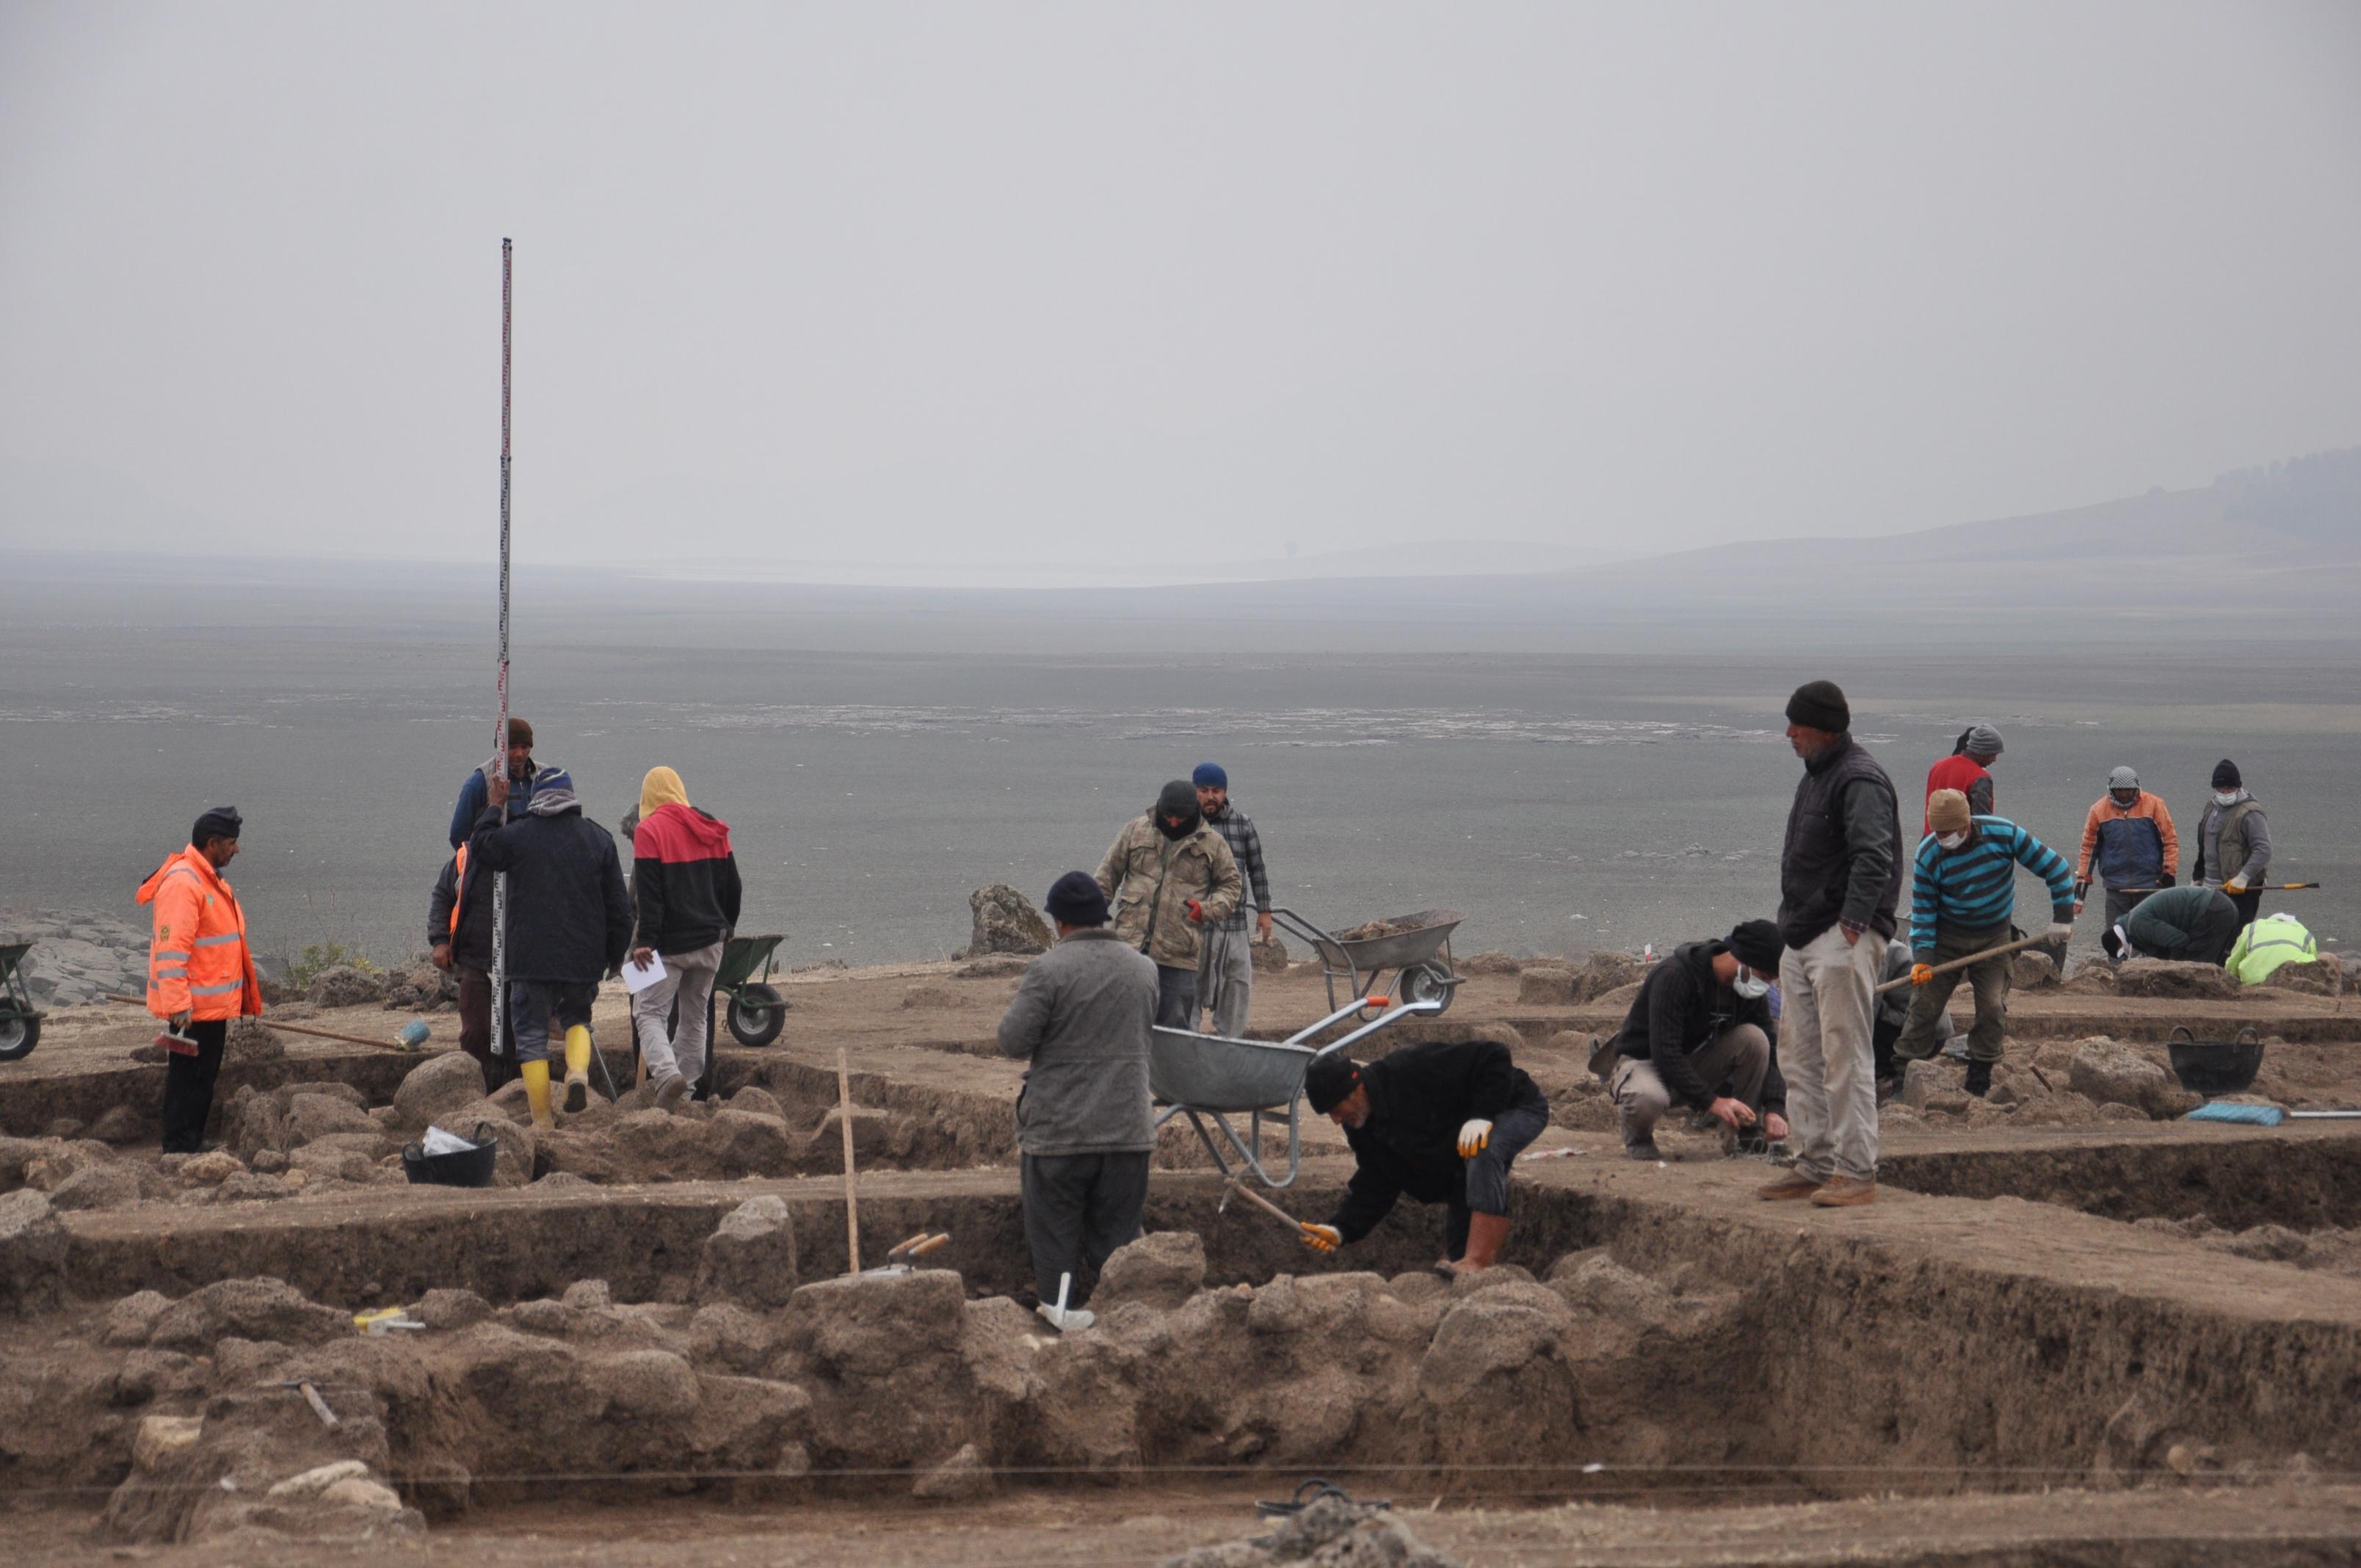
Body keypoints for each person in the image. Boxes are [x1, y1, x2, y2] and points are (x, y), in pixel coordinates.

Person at [995, 871, 1159, 1331]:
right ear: (1102, 918)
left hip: (1060, 1133)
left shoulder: (1049, 970)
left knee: (1054, 1238)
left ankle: (1060, 1321)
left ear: (1059, 922)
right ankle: (1126, 1323)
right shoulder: (1144, 968)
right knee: (1120, 1242)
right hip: (1128, 1129)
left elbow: (1012, 1041)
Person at [1761, 679, 1901, 1209]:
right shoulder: (1819, 775)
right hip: (1803, 932)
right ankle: (1815, 1160)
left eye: (1797, 724)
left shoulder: (1858, 778)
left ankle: (1856, 1170)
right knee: (1799, 1054)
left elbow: (1874, 855)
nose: (1790, 733)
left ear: (1824, 727)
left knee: (1845, 1055)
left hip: (1840, 936)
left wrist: (1854, 924)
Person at [1299, 1039, 1551, 1274]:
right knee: (1456, 1256)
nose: (1336, 1121)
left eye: (1335, 1110)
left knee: (1483, 1147)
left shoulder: (1409, 1069)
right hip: (1459, 1164)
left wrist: (1482, 1115)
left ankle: (1480, 1260)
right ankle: (1470, 1267)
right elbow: (1376, 1182)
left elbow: (1494, 1055)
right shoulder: (1362, 1128)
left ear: (1354, 1091)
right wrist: (1341, 1228)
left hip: (1516, 1106)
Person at [468, 766, 631, 1129]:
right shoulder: (599, 840)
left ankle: (542, 1121)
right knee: (578, 1020)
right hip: (582, 957)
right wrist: (615, 956)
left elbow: (481, 848)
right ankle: (576, 1072)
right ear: (572, 797)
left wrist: (494, 807)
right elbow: (619, 908)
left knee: (530, 1035)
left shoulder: (519, 835)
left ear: (537, 796)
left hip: (529, 958)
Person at [1893, 790, 2078, 1097]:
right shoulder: (1929, 854)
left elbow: (2056, 869)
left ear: (1965, 825)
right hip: (1946, 938)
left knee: (1992, 1008)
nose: (1942, 839)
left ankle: (1979, 1079)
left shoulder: (2003, 834)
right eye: (1937, 833)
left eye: (1948, 833)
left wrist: (2062, 918)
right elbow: (1923, 911)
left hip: (1994, 936)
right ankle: (1903, 1074)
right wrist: (1923, 957)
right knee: (1925, 1005)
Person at [1600, 920, 1788, 1161]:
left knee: (1756, 1040)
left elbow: (1773, 1049)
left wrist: (1775, 1108)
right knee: (1648, 1097)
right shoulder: (1675, 976)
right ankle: (1638, 1135)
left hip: (1693, 1061)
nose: (1767, 985)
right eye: (1765, 976)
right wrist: (1713, 1101)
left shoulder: (1748, 992)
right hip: (1645, 1062)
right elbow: (1665, 1052)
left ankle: (1744, 1133)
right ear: (1743, 959)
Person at [137, 807, 264, 1154]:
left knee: (201, 1080)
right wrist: (178, 1006)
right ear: (212, 843)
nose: (235, 851)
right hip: (191, 1009)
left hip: (209, 1006)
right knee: (187, 1081)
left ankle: (190, 1142)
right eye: (231, 844)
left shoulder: (204, 877)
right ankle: (179, 1147)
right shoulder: (184, 882)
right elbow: (171, 951)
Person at [627, 766, 743, 1113]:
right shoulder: (713, 827)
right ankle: (688, 1094)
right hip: (711, 941)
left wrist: (643, 942)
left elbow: (649, 895)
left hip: (666, 946)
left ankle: (666, 1076)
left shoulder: (648, 830)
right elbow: (733, 886)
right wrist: (728, 927)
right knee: (695, 1017)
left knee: (648, 1013)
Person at [1095, 780, 1242, 1028]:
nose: (1173, 822)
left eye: (1180, 818)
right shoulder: (1136, 830)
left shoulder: (1213, 843)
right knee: (1119, 1024)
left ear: (1192, 813)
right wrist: (1091, 917)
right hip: (1129, 947)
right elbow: (1107, 874)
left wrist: (1206, 910)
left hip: (1179, 955)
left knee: (1174, 1030)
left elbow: (1231, 886)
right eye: (1168, 816)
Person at [1192, 762, 1272, 1038]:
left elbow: (1257, 868)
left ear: (1225, 792)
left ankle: (1231, 1042)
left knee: (1237, 988)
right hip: (1194, 925)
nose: (1211, 796)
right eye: (1204, 790)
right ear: (1195, 792)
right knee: (1189, 988)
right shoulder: (1185, 826)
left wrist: (1264, 911)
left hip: (1235, 924)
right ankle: (1185, 1043)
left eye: (1217, 790)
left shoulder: (1242, 824)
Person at [428, 839, 513, 1091]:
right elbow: (442, 896)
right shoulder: (465, 857)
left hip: (519, 965)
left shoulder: (528, 848)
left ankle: (516, 1096)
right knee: (475, 1034)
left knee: (516, 1038)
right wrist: (440, 940)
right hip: (473, 959)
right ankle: (476, 1094)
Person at [2075, 766, 2179, 929]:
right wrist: (2082, 882)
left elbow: (2169, 840)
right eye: (2119, 791)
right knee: (2115, 938)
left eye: (2128, 791)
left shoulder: (2154, 805)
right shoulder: (2099, 810)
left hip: (2150, 886)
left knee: (2149, 937)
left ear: (2136, 788)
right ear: (2111, 790)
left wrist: (2169, 872)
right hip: (2116, 888)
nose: (2124, 795)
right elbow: (2089, 848)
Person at [2191, 760, 2272, 930]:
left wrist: (2244, 877)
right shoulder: (2211, 806)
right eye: (2221, 789)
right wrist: (2197, 876)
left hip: (2240, 891)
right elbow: (2204, 844)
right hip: (2210, 889)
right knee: (2211, 936)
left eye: (2230, 788)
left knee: (2235, 937)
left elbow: (2263, 849)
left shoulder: (2250, 813)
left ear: (2238, 787)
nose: (2225, 792)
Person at [448, 718, 536, 850]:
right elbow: (459, 835)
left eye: (524, 747)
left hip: (534, 865)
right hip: (496, 865)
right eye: (512, 747)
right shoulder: (481, 781)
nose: (519, 754)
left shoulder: (542, 777)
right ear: (500, 747)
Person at [2107, 884, 2242, 968]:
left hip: (2211, 910)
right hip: (2221, 907)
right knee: (2214, 963)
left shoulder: (2137, 925)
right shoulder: (2132, 921)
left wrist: (2171, 967)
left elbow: (2179, 941)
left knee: (2195, 969)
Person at [1922, 723, 2002, 835]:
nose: (1994, 759)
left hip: (1931, 839)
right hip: (1960, 845)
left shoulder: (1938, 766)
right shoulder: (1979, 777)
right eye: (1993, 754)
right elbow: (1982, 822)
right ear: (1981, 752)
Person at [2226, 911, 2320, 987]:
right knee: (2327, 957)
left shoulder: (2252, 927)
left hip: (2255, 979)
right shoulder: (2304, 932)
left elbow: (2234, 960)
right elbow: (2316, 964)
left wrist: (2230, 976)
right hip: (2295, 980)